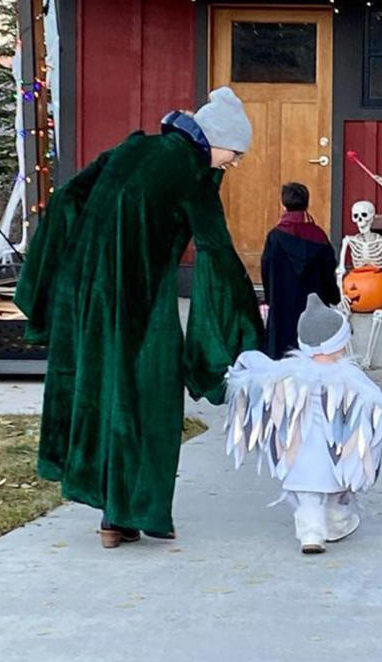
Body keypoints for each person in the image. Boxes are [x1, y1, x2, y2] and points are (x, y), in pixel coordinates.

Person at [16, 86, 264, 549]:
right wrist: (243, 327)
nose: (234, 163)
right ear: (215, 141)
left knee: (101, 391)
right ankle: (132, 511)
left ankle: (114, 519)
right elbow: (217, 254)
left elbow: (69, 195)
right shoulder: (193, 175)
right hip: (142, 307)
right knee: (148, 402)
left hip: (89, 298)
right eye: (235, 153)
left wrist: (63, 270)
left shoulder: (132, 148)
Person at [224, 293, 382, 554]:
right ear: (340, 343)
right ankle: (337, 520)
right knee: (337, 488)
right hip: (332, 452)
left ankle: (311, 533)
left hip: (298, 452)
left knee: (308, 498)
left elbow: (261, 385)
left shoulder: (287, 376)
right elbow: (375, 402)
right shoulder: (348, 377)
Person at [260, 182, 341, 359]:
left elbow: (266, 269)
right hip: (313, 305)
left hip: (282, 305)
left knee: (281, 355)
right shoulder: (318, 236)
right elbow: (329, 269)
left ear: (283, 204)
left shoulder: (275, 237)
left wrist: (269, 298)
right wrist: (334, 296)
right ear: (307, 203)